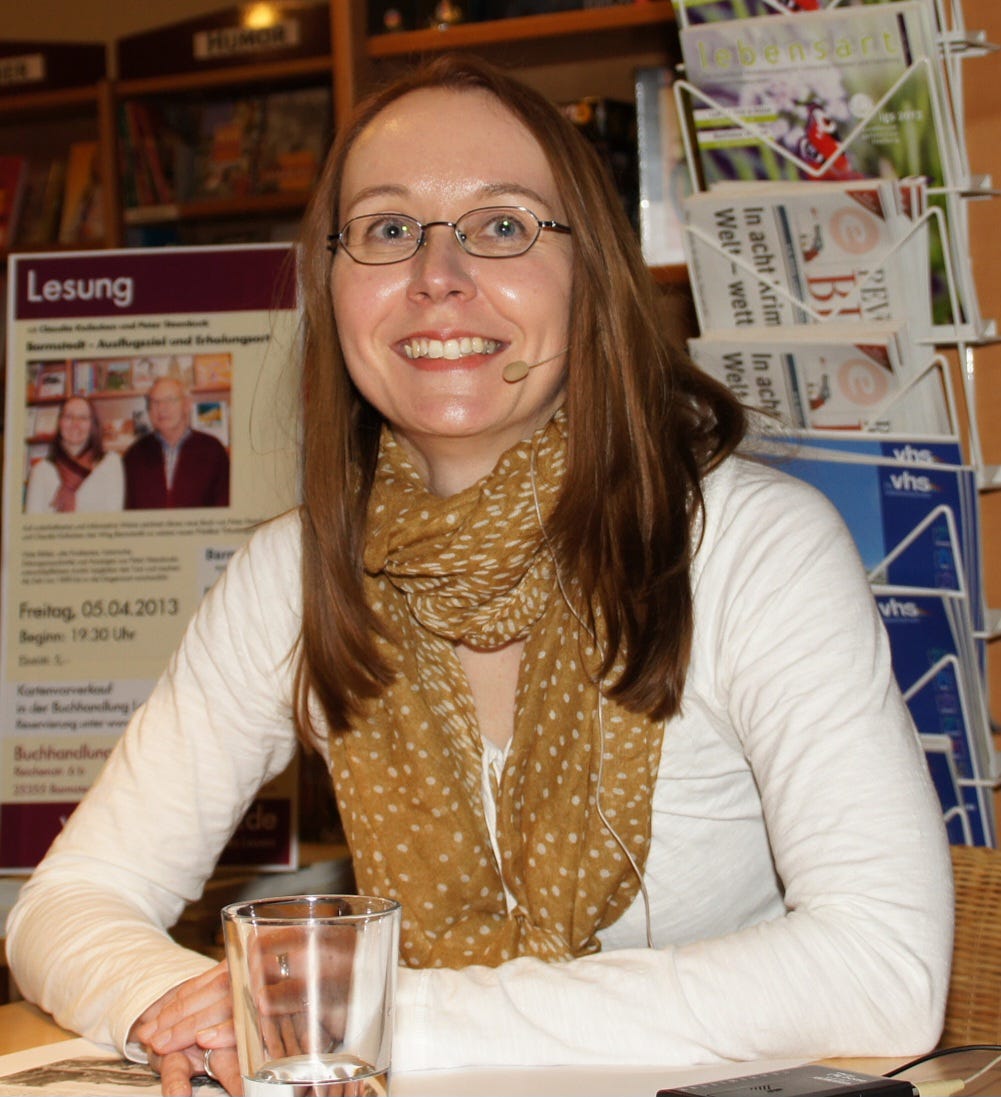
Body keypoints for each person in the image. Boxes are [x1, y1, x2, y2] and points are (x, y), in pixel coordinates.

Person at [6, 55, 952, 1097]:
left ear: (588, 271)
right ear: (331, 285)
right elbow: (70, 899)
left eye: (501, 226)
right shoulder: (293, 572)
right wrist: (172, 1003)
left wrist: (364, 1012)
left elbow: (881, 971)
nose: (435, 276)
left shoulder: (752, 548)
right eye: (386, 229)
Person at [123, 376, 230, 509]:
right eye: (155, 402)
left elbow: (225, 504)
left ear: (187, 405)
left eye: (170, 400)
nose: (161, 408)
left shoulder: (213, 450)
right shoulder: (134, 455)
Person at [24, 394, 124, 514]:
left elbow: (114, 519)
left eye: (83, 418)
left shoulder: (111, 463)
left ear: (93, 425)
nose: (75, 424)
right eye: (69, 417)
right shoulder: (40, 470)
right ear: (60, 423)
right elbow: (33, 527)